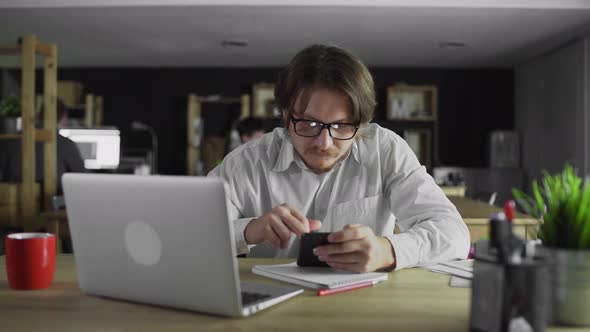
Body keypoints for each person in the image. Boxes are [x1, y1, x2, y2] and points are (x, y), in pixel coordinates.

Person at [209, 44, 470, 272]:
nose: (325, 143)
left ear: (362, 123)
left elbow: (454, 234)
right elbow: (186, 237)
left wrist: (388, 250)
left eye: (343, 126)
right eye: (309, 124)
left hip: (364, 306)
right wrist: (249, 230)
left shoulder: (386, 150)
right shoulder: (245, 162)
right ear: (286, 115)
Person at [0, 99, 86, 194]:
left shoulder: (12, 138)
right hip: (51, 203)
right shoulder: (64, 143)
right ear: (63, 117)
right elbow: (82, 175)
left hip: (11, 200)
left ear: (38, 114)